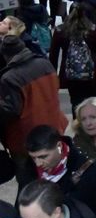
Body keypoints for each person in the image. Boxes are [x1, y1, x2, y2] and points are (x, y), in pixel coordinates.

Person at [0, 35, 68, 191]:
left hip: (27, 138)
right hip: (54, 127)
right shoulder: (45, 64)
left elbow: (10, 111)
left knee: (28, 184)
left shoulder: (9, 77)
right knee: (55, 174)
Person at [24, 125, 96, 214]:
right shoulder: (29, 169)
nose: (38, 163)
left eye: (43, 157)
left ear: (59, 146)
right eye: (33, 158)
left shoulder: (93, 172)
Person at [50, 4, 96, 117]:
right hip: (92, 72)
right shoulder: (92, 29)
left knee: (75, 101)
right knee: (91, 101)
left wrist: (53, 74)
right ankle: (91, 125)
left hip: (70, 73)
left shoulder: (60, 30)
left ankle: (78, 126)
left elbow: (53, 54)